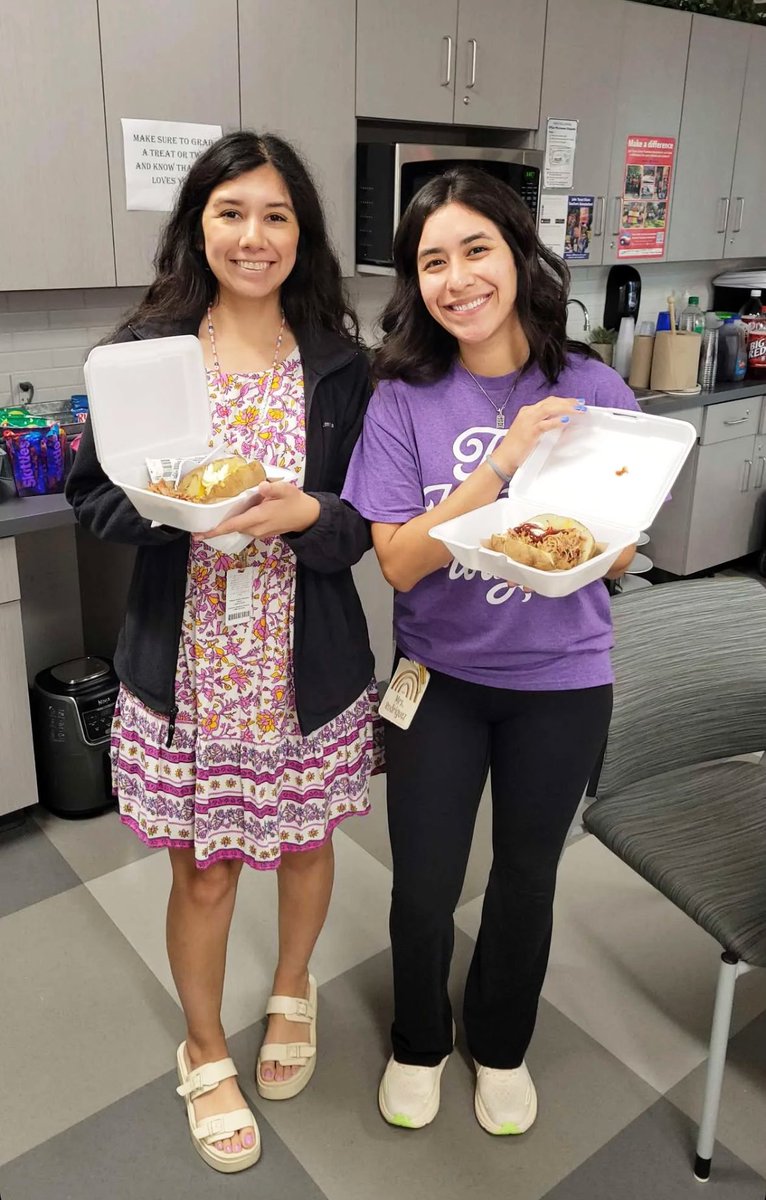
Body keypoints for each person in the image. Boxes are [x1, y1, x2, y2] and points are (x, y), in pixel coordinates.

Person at [66, 130, 382, 1174]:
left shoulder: (339, 365)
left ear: (303, 233)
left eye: (276, 215)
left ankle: (291, 987)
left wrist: (308, 515)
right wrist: (172, 514)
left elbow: (364, 522)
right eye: (231, 213)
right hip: (191, 664)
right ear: (198, 226)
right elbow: (93, 496)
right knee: (204, 872)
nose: (254, 236)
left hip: (304, 661)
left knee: (305, 845)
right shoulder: (145, 354)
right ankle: (203, 1046)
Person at [342, 167, 638, 1136]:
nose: (457, 278)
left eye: (477, 250)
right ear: (414, 282)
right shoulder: (402, 397)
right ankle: (418, 1039)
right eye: (433, 261)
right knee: (424, 884)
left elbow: (617, 549)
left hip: (563, 679)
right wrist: (503, 465)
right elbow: (399, 561)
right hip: (439, 681)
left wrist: (599, 538)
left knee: (525, 878)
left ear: (518, 256)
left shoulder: (590, 388)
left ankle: (501, 1044)